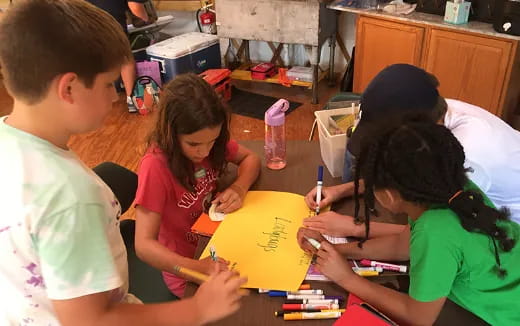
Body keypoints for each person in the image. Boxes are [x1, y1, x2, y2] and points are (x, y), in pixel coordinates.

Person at [0, 1, 246, 325]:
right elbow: (90, 321)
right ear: (69, 88)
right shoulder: (69, 195)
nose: (116, 96)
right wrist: (198, 309)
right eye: (109, 84)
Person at [298, 119, 520, 325]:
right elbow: (402, 246)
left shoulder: (435, 232)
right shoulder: (452, 191)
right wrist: (336, 250)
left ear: (390, 196)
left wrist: (347, 278)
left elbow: (418, 317)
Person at [303, 64, 520, 239]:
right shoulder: (433, 109)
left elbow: (438, 232)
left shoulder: (467, 156)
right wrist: (342, 191)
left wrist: (356, 227)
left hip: (506, 234)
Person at [134, 73, 261, 297]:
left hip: (219, 241)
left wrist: (239, 188)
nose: (204, 152)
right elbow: (143, 246)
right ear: (171, 133)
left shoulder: (205, 136)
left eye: (212, 142)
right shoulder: (155, 167)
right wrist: (194, 269)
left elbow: (251, 159)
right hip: (187, 266)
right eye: (193, 144)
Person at [86, 0, 151, 113]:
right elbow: (135, 7)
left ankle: (95, 102)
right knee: (125, 58)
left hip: (83, 19)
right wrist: (146, 18)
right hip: (110, 21)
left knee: (96, 59)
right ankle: (132, 100)